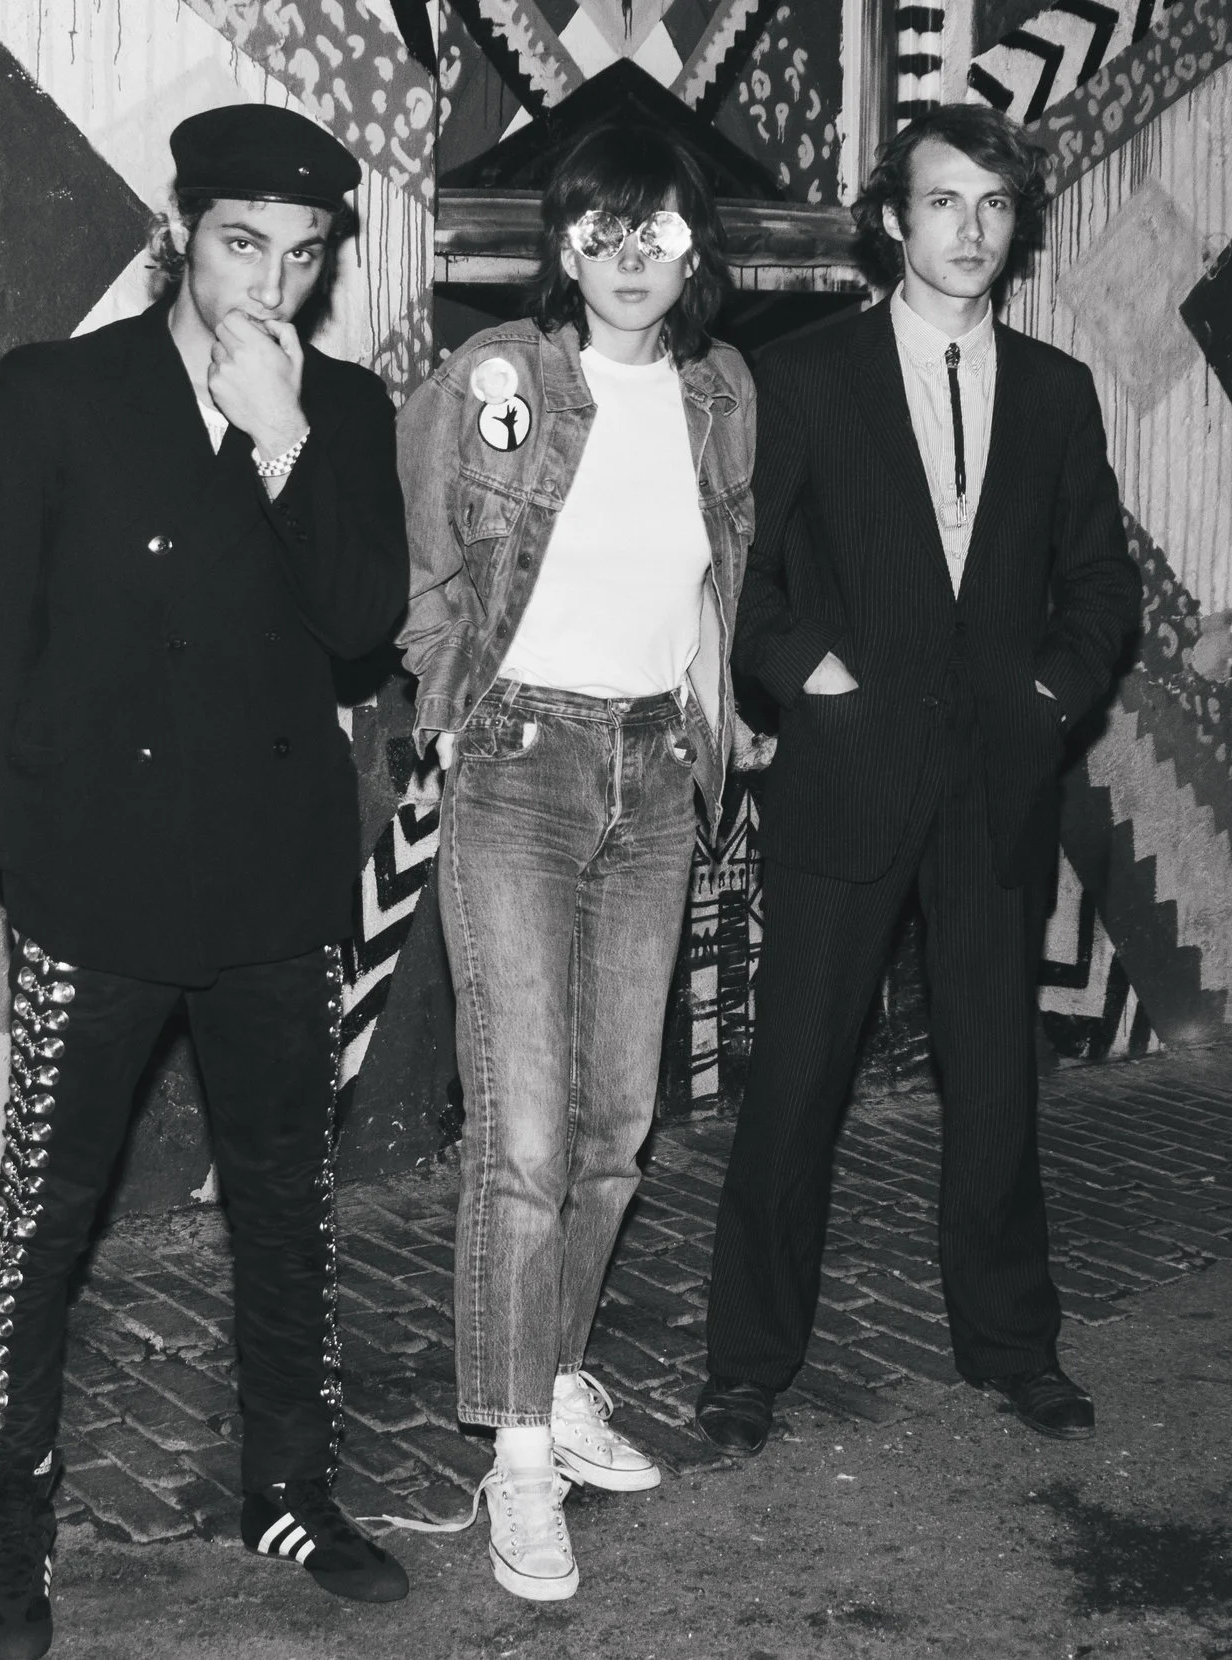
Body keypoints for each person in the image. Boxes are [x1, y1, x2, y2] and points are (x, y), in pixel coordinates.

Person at [0, 103, 410, 1659]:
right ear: (181, 234)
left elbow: (362, 622)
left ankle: (291, 1485)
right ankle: (11, 1517)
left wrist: (283, 437)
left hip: (276, 882)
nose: (269, 282)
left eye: (303, 254)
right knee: (47, 1211)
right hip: (100, 883)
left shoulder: (341, 411)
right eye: (241, 244)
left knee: (287, 1202)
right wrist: (33, 855)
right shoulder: (62, 392)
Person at [693, 104, 1141, 1456]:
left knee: (996, 1078)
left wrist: (1050, 697)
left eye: (995, 204)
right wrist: (808, 676)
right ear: (894, 219)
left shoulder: (1056, 390)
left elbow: (1100, 585)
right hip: (848, 771)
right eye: (945, 201)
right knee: (797, 1080)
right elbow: (742, 574)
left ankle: (1015, 1346)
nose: (971, 229)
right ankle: (746, 1366)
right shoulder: (807, 375)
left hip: (996, 780)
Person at [390, 124, 754, 1601]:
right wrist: (449, 710)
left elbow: (721, 573)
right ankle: (520, 1453)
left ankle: (555, 1374)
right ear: (561, 246)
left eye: (656, 227)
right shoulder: (499, 378)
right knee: (527, 1137)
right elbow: (424, 569)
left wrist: (721, 725)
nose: (628, 254)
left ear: (694, 246)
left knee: (616, 1130)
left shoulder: (725, 393)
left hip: (658, 771)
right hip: (522, 767)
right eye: (600, 226)